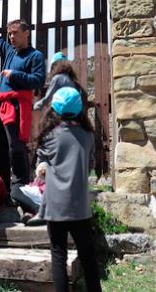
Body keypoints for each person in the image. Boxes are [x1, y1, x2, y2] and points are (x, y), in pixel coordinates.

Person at [37, 87, 101, 292]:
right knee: (87, 253)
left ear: (55, 108)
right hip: (79, 204)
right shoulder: (88, 135)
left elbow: (41, 168)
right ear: (79, 108)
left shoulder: (49, 135)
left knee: (58, 255)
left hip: (55, 205)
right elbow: (90, 164)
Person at [0, 0, 45, 192]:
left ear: (26, 33)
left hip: (16, 108)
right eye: (9, 34)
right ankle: (2, 190)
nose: (10, 37)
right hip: (0, 107)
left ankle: (20, 191)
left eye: (15, 33)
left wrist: (15, 75)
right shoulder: (9, 50)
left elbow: (38, 81)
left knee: (15, 149)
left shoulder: (35, 56)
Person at [11, 162, 47, 226]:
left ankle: (38, 210)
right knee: (20, 193)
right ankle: (30, 215)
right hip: (40, 195)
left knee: (16, 190)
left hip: (42, 196)